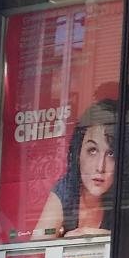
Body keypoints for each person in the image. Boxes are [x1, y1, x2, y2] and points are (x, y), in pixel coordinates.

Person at [34, 99, 120, 239]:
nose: (100, 167)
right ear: (78, 153)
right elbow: (36, 250)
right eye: (92, 150)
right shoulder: (67, 189)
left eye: (111, 154)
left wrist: (85, 234)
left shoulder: (124, 197)